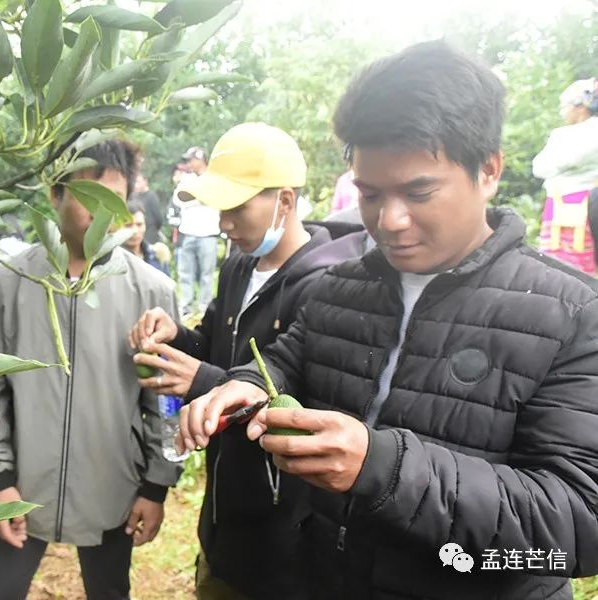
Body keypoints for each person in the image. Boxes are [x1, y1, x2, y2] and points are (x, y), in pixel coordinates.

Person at [178, 41, 598, 599]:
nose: (389, 220)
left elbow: (579, 528)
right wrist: (245, 387)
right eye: (371, 194)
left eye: (418, 191)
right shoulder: (340, 288)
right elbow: (285, 364)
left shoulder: (572, 315)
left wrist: (384, 469)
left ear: (488, 170)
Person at [129, 122, 365, 599]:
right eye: (221, 209)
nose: (225, 224)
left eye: (236, 208)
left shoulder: (329, 285)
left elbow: (308, 406)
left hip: (287, 532)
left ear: (284, 200)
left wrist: (204, 384)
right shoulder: (238, 266)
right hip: (226, 510)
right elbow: (216, 344)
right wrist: (178, 337)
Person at [0, 140, 181, 600]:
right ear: (55, 194)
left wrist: (156, 486)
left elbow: (165, 398)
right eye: (89, 199)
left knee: (109, 591)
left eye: (116, 203)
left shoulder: (152, 290)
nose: (104, 217)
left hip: (112, 489)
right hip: (21, 486)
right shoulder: (10, 279)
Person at [533, 77, 598, 274]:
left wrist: (556, 161)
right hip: (559, 202)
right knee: (557, 260)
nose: (562, 111)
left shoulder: (593, 131)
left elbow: (566, 160)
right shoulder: (561, 134)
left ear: (580, 106)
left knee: (581, 259)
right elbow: (538, 167)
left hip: (586, 202)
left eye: (564, 106)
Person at [173, 147, 220, 316]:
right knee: (185, 273)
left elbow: (214, 199)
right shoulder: (186, 179)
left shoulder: (213, 178)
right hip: (188, 232)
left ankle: (203, 309)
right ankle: (185, 308)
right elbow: (178, 200)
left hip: (208, 234)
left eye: (191, 160)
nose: (188, 163)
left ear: (200, 159)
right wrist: (200, 199)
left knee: (206, 275)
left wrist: (194, 197)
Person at [124, 199, 169, 275]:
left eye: (139, 224)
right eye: (128, 225)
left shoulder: (157, 255)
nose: (135, 231)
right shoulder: (111, 259)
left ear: (145, 225)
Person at [132, 173, 164, 244]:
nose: (136, 184)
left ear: (145, 181)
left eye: (138, 182)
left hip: (150, 234)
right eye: (135, 182)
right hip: (138, 233)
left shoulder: (152, 196)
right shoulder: (134, 196)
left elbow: (158, 218)